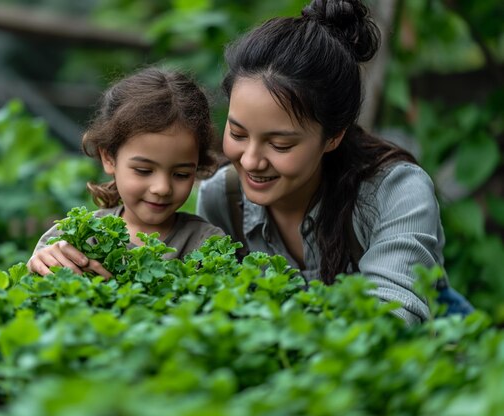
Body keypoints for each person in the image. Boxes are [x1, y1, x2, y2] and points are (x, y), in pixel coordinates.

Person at [196, 0, 472, 324]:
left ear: (333, 136)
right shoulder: (223, 199)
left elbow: (391, 320)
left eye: (280, 144)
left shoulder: (396, 194)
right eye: (238, 133)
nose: (252, 160)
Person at [27, 67, 224, 278]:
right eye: (143, 170)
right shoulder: (73, 239)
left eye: (181, 174)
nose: (162, 188)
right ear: (109, 158)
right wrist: (40, 266)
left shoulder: (207, 244)